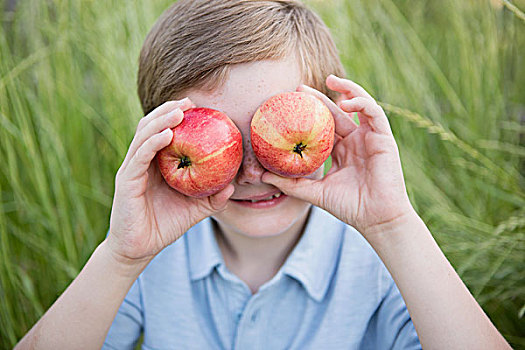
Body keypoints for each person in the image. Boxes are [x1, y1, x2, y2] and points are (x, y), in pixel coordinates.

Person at [16, 1, 511, 349]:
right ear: (159, 141)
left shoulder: (383, 263)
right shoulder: (148, 259)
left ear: (332, 121)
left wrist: (393, 225)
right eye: (224, 140)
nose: (253, 170)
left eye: (271, 131)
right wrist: (121, 258)